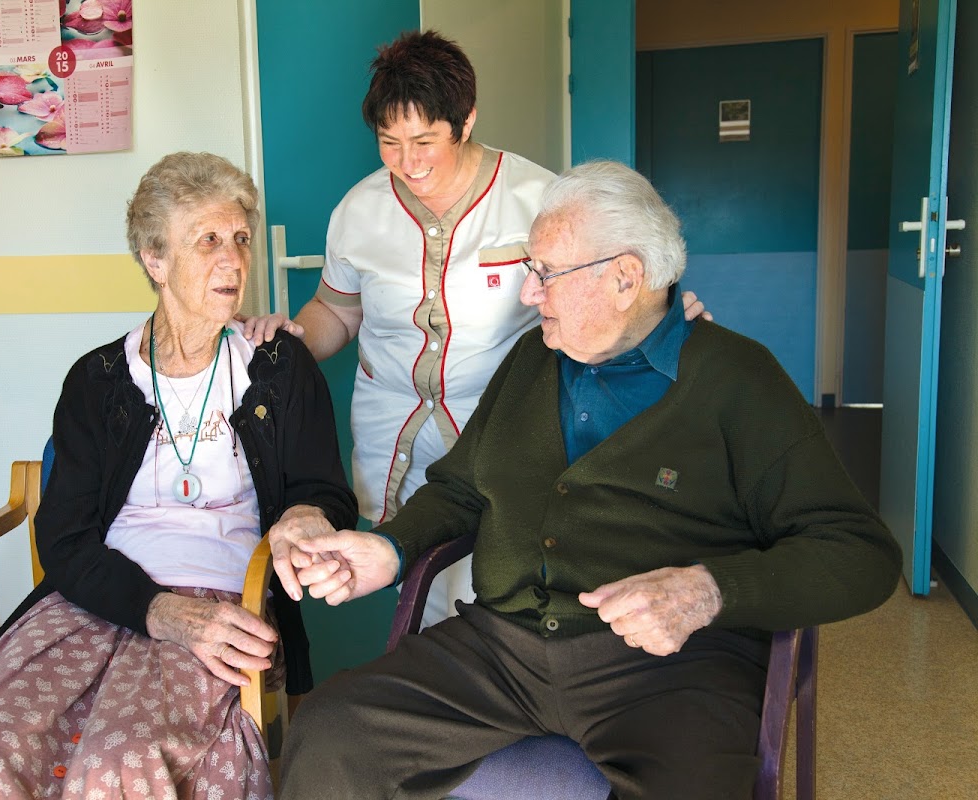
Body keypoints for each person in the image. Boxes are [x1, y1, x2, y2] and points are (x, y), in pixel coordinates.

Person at [270, 160, 902, 800]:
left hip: (674, 669)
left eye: (544, 274)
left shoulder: (739, 380)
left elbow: (858, 552)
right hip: (503, 650)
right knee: (329, 731)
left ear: (626, 278)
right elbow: (462, 488)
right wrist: (390, 548)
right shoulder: (531, 360)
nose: (526, 295)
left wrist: (707, 592)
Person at [0, 152, 356, 800]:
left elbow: (322, 489)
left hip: (221, 603)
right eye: (207, 240)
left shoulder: (277, 364)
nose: (234, 259)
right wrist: (157, 610)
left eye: (240, 238)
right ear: (154, 259)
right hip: (92, 601)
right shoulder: (98, 383)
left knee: (120, 768)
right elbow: (66, 537)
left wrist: (304, 518)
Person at [245, 30, 706, 626]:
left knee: (506, 578)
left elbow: (616, 285)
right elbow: (337, 311)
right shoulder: (358, 210)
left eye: (424, 141)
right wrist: (287, 340)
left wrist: (661, 315)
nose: (407, 163)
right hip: (397, 433)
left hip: (510, 425)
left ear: (465, 121)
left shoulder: (539, 198)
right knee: (420, 585)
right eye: (389, 143)